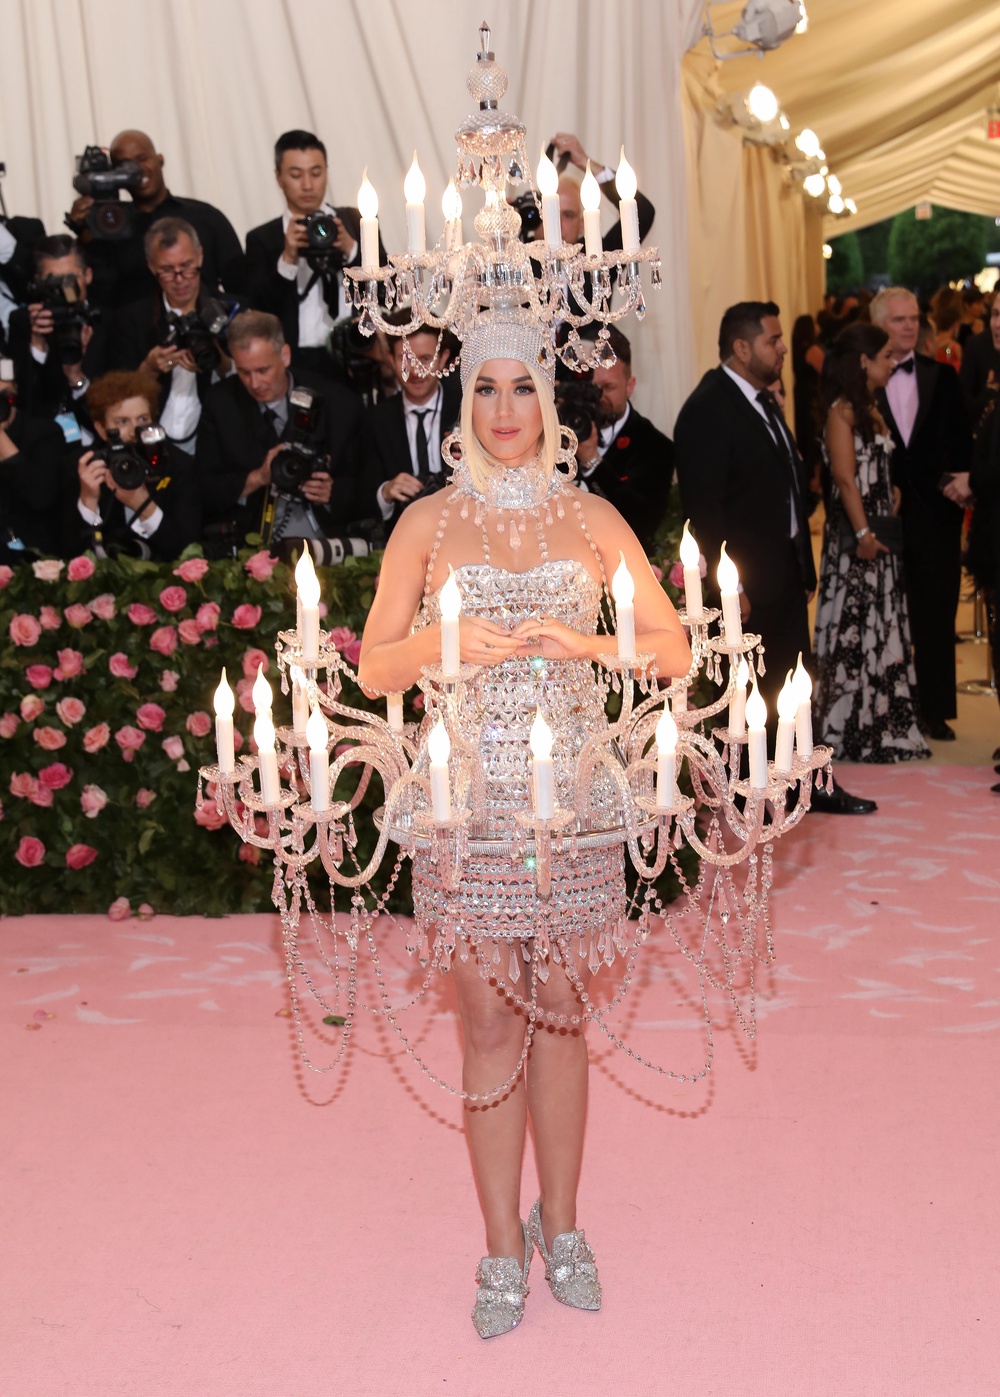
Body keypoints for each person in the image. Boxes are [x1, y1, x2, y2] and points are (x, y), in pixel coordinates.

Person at [357, 313, 691, 1338]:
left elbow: (670, 647)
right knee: (489, 1019)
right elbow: (374, 665)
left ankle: (568, 1223)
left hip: (576, 800)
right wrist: (449, 639)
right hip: (464, 805)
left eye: (524, 389)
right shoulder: (428, 521)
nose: (507, 411)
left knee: (558, 1009)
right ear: (467, 405)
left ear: (552, 400)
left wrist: (582, 640)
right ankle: (501, 1241)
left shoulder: (592, 516)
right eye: (488, 390)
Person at [674, 299, 876, 814]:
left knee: (796, 682)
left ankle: (811, 781)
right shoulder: (707, 409)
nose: (783, 348)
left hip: (783, 571)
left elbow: (783, 487)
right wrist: (729, 588)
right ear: (741, 348)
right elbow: (704, 510)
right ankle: (754, 795)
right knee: (753, 695)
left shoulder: (762, 400)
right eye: (773, 340)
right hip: (746, 585)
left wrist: (801, 566)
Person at [812, 324, 929, 762]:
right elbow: (844, 478)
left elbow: (868, 471)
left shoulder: (869, 409)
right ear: (862, 362)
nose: (890, 363)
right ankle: (851, 726)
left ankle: (881, 722)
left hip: (879, 531)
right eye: (883, 356)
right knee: (855, 626)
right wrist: (863, 534)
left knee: (880, 625)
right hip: (858, 539)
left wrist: (889, 493)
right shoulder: (840, 412)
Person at [871, 286, 973, 742]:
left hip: (936, 514)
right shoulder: (864, 384)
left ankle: (934, 710)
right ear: (879, 326)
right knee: (886, 613)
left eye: (913, 318)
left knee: (935, 614)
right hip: (883, 516)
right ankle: (887, 707)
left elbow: (961, 441)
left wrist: (961, 486)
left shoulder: (941, 376)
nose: (910, 325)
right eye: (899, 319)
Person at [196, 310, 365, 558]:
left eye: (263, 370)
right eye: (244, 372)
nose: (255, 383)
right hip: (250, 542)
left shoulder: (337, 402)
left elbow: (366, 485)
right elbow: (203, 489)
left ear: (285, 355)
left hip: (327, 537)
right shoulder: (221, 404)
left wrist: (332, 493)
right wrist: (257, 478)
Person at [245, 131, 382, 381]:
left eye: (316, 173)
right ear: (278, 177)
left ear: (327, 172)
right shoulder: (262, 239)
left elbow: (385, 294)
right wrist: (287, 259)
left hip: (353, 354)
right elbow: (258, 312)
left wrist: (351, 249)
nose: (307, 184)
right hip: (294, 363)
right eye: (296, 175)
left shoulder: (356, 222)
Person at [67, 129, 244, 311]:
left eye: (142, 158)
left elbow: (241, 289)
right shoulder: (109, 231)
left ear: (160, 159)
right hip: (136, 336)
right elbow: (99, 299)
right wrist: (86, 235)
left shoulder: (207, 217)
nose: (136, 170)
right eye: (124, 165)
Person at [108, 218, 233, 456]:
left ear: (200, 257)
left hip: (215, 441)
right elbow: (115, 400)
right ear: (151, 266)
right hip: (152, 444)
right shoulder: (131, 320)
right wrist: (148, 369)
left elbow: (250, 385)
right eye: (167, 270)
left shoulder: (230, 310)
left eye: (186, 266)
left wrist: (220, 363)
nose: (179, 279)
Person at [64, 369, 200, 561]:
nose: (134, 431)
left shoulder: (178, 465)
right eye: (122, 422)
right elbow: (68, 553)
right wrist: (88, 502)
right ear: (101, 429)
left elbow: (188, 552)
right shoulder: (83, 466)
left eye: (143, 419)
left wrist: (143, 505)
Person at [359, 323, 460, 534]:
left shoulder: (468, 408)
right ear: (390, 360)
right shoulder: (376, 419)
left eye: (425, 359)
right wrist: (385, 492)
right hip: (400, 535)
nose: (415, 371)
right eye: (405, 359)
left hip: (463, 532)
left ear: (443, 359)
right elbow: (358, 494)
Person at [6, 235, 109, 437]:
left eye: (71, 278)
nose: (64, 288)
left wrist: (77, 379)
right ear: (38, 281)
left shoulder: (109, 321)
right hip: (46, 440)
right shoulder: (24, 322)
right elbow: (23, 400)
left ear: (88, 275)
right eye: (53, 280)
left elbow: (117, 401)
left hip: (96, 435)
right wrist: (36, 345)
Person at [585, 326, 674, 553]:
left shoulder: (656, 447)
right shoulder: (557, 434)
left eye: (608, 387)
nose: (599, 397)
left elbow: (640, 523)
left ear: (630, 386)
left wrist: (592, 462)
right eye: (591, 387)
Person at [0, 358, 63, 562]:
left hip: (34, 560)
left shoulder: (45, 433)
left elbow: (40, 497)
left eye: (3, 395)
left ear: (15, 393)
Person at [790, 312, 824, 498]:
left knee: (804, 437)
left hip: (800, 396)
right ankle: (814, 480)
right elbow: (827, 372)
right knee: (813, 438)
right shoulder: (812, 350)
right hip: (812, 397)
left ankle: (808, 478)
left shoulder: (796, 349)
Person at [959, 294, 1000, 427]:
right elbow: (962, 405)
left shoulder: (979, 325)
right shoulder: (975, 344)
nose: (998, 323)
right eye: (995, 314)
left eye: (980, 303)